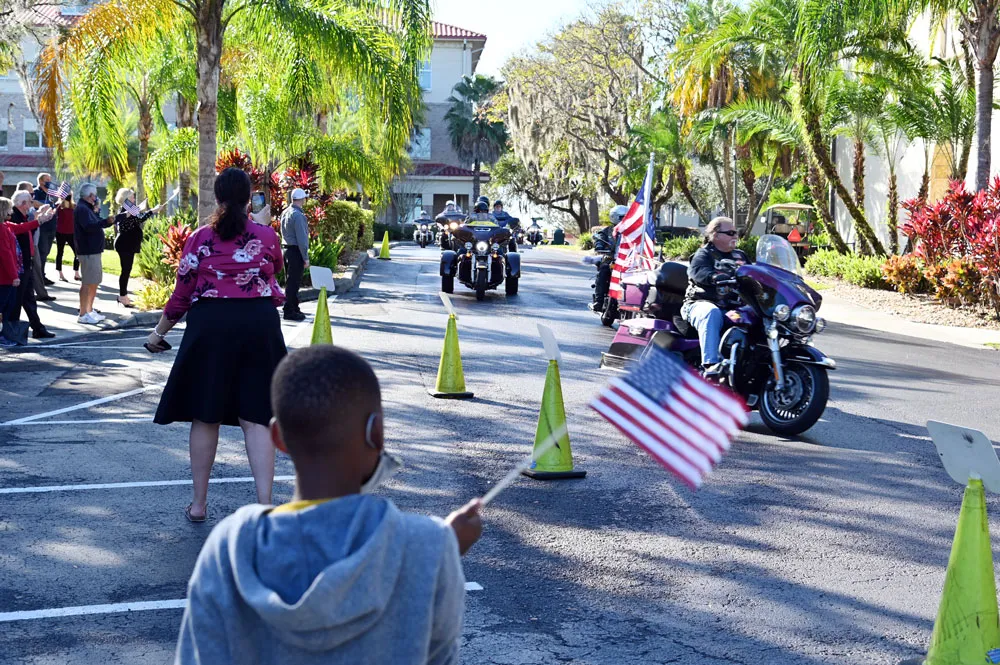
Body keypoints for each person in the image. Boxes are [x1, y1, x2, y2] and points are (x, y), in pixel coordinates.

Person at [174, 345, 483, 665]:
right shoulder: (427, 545)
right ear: (376, 434)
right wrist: (439, 548)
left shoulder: (230, 546)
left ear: (278, 438)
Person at [147, 167, 287, 522]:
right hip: (258, 322)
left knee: (205, 414)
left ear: (217, 196)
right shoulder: (266, 235)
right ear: (248, 196)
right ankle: (265, 502)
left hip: (211, 325)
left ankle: (198, 505)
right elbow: (277, 270)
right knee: (256, 417)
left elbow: (182, 292)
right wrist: (258, 223)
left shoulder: (199, 238)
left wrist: (158, 333)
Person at [681, 216, 749, 376]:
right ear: (715, 235)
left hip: (733, 306)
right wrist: (714, 277)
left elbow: (755, 274)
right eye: (730, 232)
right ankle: (711, 365)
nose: (735, 236)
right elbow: (697, 272)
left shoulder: (741, 256)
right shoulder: (704, 254)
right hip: (699, 303)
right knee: (711, 313)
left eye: (736, 232)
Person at [6, 190, 54, 339]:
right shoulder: (13, 216)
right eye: (30, 202)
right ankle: (11, 331)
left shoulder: (23, 216)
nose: (30, 205)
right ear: (23, 203)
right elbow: (20, 229)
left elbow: (28, 231)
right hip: (19, 265)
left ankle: (37, 328)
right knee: (18, 299)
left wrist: (39, 218)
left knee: (28, 298)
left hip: (27, 262)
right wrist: (39, 220)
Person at [113, 188, 164, 308]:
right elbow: (140, 219)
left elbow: (139, 218)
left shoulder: (130, 210)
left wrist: (152, 210)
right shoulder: (126, 211)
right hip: (125, 245)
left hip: (128, 244)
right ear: (126, 199)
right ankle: (122, 296)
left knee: (126, 270)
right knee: (125, 271)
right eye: (131, 197)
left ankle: (123, 296)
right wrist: (153, 210)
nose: (134, 199)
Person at [74, 184, 114, 325]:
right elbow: (89, 227)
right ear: (90, 196)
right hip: (88, 251)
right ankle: (83, 313)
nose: (96, 198)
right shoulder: (82, 209)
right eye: (94, 195)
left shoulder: (88, 208)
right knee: (87, 282)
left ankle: (89, 310)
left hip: (94, 251)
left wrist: (103, 219)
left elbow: (96, 223)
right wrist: (105, 221)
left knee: (94, 282)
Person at [279, 187, 309, 322]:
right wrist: (305, 257)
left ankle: (294, 307)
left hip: (286, 249)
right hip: (295, 251)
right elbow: (302, 239)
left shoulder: (285, 213)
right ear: (302, 199)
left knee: (290, 280)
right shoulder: (298, 216)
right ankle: (289, 310)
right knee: (294, 282)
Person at [0, 198, 22, 347]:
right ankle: (2, 336)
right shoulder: (2, 229)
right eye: (9, 209)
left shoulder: (5, 226)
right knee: (4, 307)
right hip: (5, 277)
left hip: (6, 275)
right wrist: (14, 275)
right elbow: (5, 254)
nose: (11, 212)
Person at [32, 173, 57, 286]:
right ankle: (39, 277)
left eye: (50, 180)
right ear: (41, 181)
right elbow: (34, 203)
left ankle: (42, 275)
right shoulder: (36, 192)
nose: (49, 182)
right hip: (42, 227)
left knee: (46, 252)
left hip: (52, 226)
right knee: (42, 252)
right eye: (47, 180)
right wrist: (46, 206)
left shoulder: (52, 193)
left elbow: (56, 205)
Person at [54, 193, 80, 282]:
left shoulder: (74, 206)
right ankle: (60, 273)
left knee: (77, 253)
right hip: (60, 232)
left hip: (72, 233)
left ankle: (76, 273)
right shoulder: (58, 206)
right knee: (60, 252)